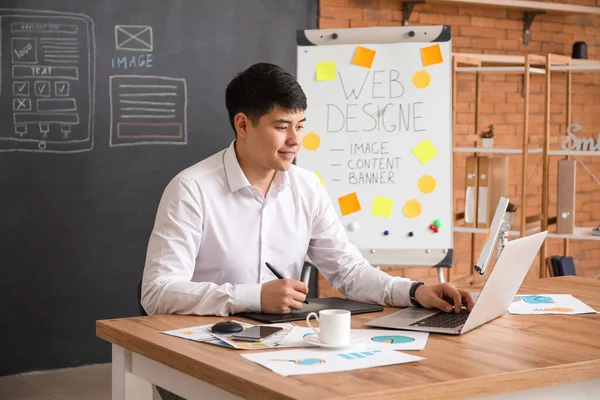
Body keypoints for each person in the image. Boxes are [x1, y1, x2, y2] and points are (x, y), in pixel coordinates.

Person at [141, 62, 474, 320]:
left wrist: (416, 291)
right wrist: (253, 296)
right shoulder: (191, 189)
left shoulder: (307, 186)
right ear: (242, 125)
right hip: (202, 344)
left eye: (300, 126)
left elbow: (349, 272)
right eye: (281, 126)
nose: (295, 140)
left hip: (282, 343)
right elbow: (157, 293)